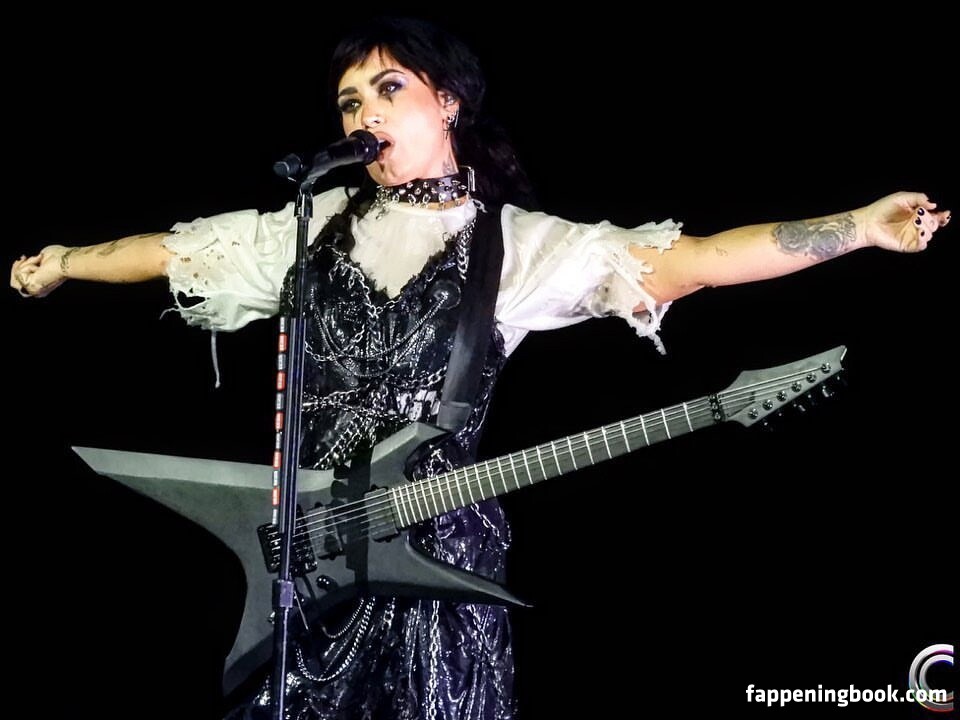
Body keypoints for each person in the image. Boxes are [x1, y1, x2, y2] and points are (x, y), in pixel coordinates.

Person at [9, 15, 951, 720]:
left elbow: (696, 260)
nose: (365, 111)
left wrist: (857, 228)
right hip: (307, 562)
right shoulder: (308, 227)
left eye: (389, 88)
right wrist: (63, 262)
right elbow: (172, 251)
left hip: (436, 562)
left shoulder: (515, 246)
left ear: (447, 102)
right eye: (350, 101)